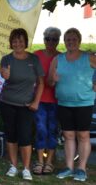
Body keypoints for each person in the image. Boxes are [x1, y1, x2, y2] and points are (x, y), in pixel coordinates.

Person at [50, 28, 96, 182]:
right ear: (65, 42)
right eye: (68, 39)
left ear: (79, 41)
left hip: (84, 102)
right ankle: (69, 167)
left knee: (83, 135)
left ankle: (81, 168)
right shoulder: (58, 59)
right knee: (68, 135)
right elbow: (49, 81)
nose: (71, 42)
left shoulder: (89, 57)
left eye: (74, 39)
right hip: (64, 102)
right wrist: (53, 80)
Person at [0, 28, 44, 181]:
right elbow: (4, 74)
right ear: (11, 43)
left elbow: (41, 83)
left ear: (25, 42)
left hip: (27, 105)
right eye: (15, 41)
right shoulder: (6, 59)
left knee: (25, 137)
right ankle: (13, 165)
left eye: (20, 40)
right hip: (7, 102)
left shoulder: (33, 59)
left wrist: (36, 102)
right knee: (11, 135)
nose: (17, 43)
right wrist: (5, 75)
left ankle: (26, 168)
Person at [32, 27, 61, 175]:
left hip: (56, 100)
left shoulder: (62, 57)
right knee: (41, 129)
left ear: (58, 40)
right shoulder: (36, 55)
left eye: (54, 39)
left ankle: (49, 162)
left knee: (52, 130)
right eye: (48, 38)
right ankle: (39, 161)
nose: (51, 42)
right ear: (43, 39)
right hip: (40, 99)